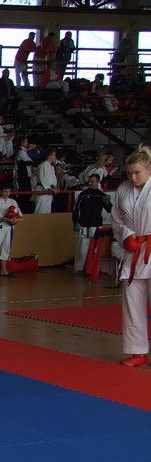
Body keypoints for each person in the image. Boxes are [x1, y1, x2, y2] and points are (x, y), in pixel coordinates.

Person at [111, 147, 151, 367]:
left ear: (149, 169)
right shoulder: (123, 189)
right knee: (132, 304)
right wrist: (126, 235)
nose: (133, 177)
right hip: (133, 251)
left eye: (137, 173)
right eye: (129, 173)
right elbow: (116, 218)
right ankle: (138, 352)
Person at [71, 174, 111, 274]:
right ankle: (78, 268)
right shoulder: (83, 195)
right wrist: (75, 221)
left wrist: (107, 202)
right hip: (84, 225)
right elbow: (76, 208)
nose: (90, 183)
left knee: (95, 249)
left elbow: (110, 209)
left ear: (98, 182)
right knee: (82, 249)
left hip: (97, 225)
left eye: (92, 181)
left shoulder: (101, 195)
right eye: (89, 181)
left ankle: (91, 268)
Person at [0, 186, 23, 278]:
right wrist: (9, 220)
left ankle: (3, 270)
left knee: (6, 247)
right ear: (1, 191)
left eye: (9, 191)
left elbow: (20, 215)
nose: (7, 193)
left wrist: (16, 220)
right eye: (5, 191)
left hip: (10, 227)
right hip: (0, 226)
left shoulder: (13, 201)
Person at [34, 149, 59, 214]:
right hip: (42, 190)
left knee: (47, 211)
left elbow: (53, 179)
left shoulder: (52, 167)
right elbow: (43, 178)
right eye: (54, 155)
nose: (55, 157)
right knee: (40, 210)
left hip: (50, 192)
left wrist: (55, 187)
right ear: (49, 156)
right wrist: (49, 188)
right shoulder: (42, 165)